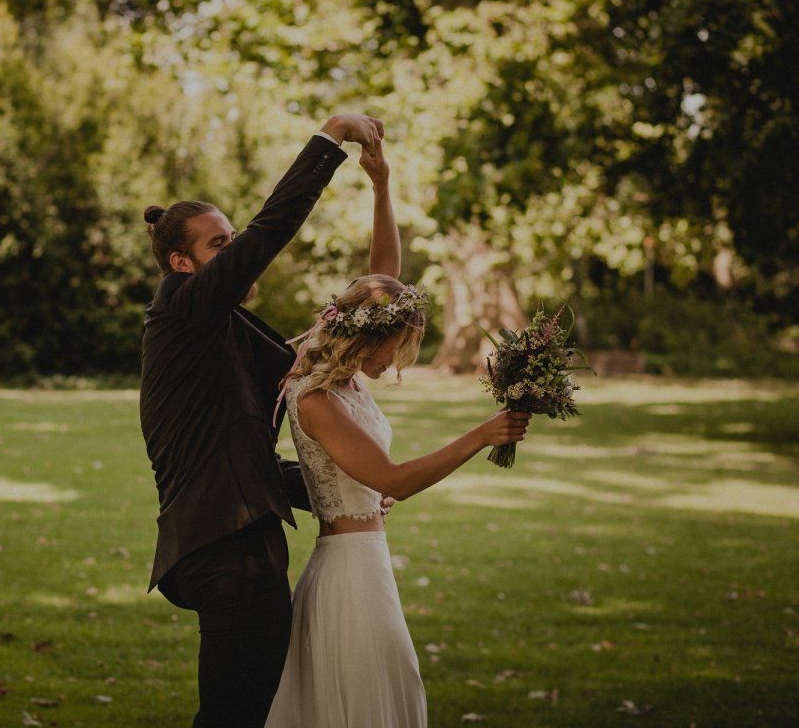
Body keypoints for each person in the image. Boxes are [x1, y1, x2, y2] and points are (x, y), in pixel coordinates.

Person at [265, 139, 532, 728]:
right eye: (399, 346)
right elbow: (392, 479)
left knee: (386, 694)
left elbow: (382, 277)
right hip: (347, 571)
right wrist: (481, 435)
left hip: (369, 557)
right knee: (367, 701)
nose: (399, 360)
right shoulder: (314, 395)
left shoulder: (347, 376)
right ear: (368, 336)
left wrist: (382, 185)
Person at [139, 113, 387, 727]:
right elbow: (269, 230)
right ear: (181, 263)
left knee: (242, 715)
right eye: (219, 245)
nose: (236, 252)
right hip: (226, 556)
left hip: (238, 548)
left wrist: (344, 488)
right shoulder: (183, 310)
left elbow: (354, 319)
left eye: (231, 239)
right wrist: (329, 139)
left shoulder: (230, 328)